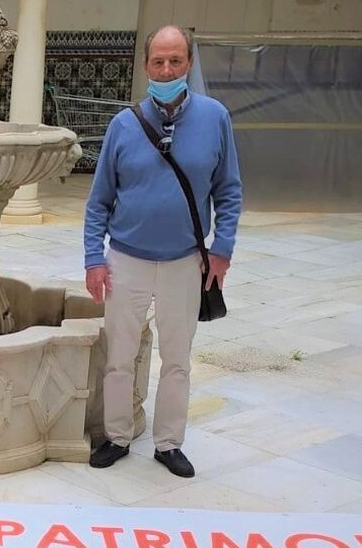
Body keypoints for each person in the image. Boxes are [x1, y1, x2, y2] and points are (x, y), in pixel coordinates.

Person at [82, 25, 242, 478]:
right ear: (146, 66)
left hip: (184, 262)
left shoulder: (214, 118)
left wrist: (222, 249)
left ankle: (169, 442)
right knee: (120, 355)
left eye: (175, 61)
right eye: (158, 62)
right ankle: (116, 436)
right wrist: (94, 258)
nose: (167, 69)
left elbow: (228, 190)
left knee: (176, 358)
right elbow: (99, 201)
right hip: (126, 260)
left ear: (188, 64)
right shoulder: (124, 124)